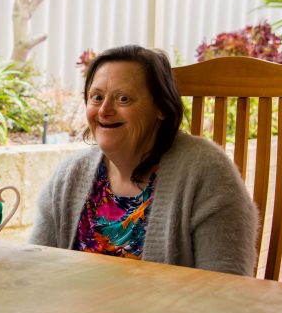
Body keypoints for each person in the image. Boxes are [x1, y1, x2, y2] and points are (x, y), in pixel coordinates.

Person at [29, 45, 258, 276]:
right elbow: (37, 268)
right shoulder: (70, 174)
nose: (104, 110)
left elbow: (227, 284)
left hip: (172, 312)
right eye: (97, 97)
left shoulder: (208, 172)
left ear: (161, 107)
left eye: (123, 98)